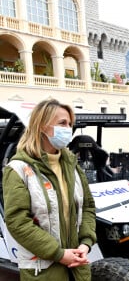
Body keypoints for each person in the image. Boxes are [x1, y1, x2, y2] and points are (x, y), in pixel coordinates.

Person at [3, 99, 96, 281]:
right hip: (43, 272)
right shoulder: (18, 169)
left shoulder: (72, 166)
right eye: (62, 123)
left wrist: (85, 244)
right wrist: (59, 254)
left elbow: (87, 207)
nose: (68, 129)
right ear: (42, 126)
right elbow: (17, 222)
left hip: (77, 269)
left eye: (70, 124)